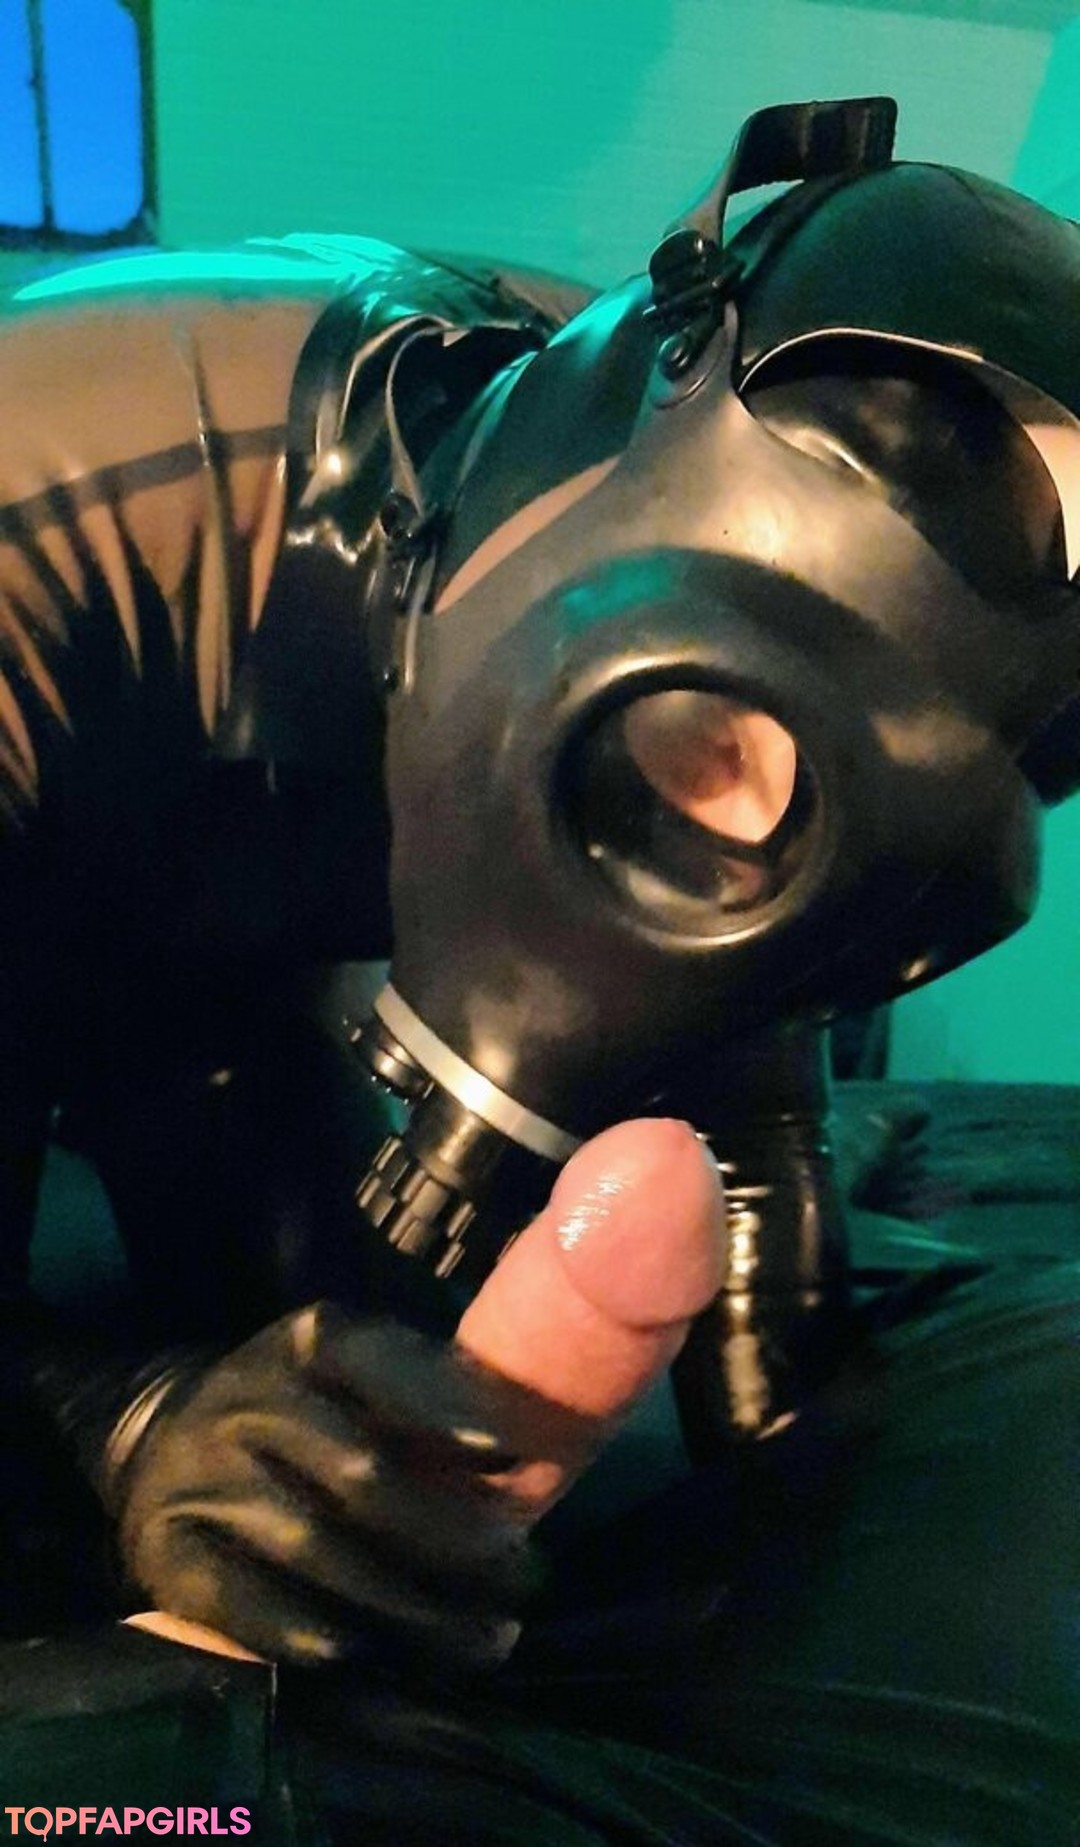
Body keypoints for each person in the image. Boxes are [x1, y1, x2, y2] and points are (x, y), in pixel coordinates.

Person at [0, 99, 1078, 1831]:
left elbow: (757, 856)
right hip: (74, 803)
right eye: (693, 749)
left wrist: (772, 1230)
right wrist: (112, 1420)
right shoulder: (52, 519)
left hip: (309, 836)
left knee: (334, 1414)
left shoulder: (607, 482)